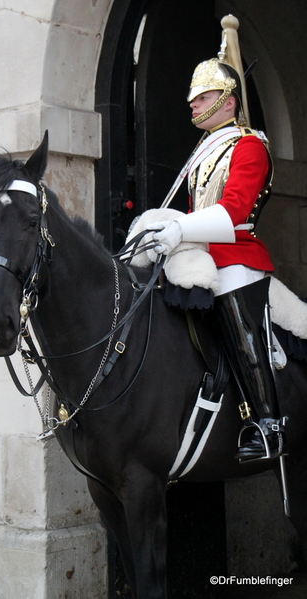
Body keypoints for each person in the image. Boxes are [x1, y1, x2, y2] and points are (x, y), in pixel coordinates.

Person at [149, 15, 285, 462]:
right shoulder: (204, 152)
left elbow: (231, 215)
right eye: (191, 99)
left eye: (202, 96)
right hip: (202, 253)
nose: (191, 105)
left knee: (228, 299)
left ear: (227, 102)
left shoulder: (249, 146)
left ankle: (267, 423)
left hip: (238, 256)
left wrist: (180, 227)